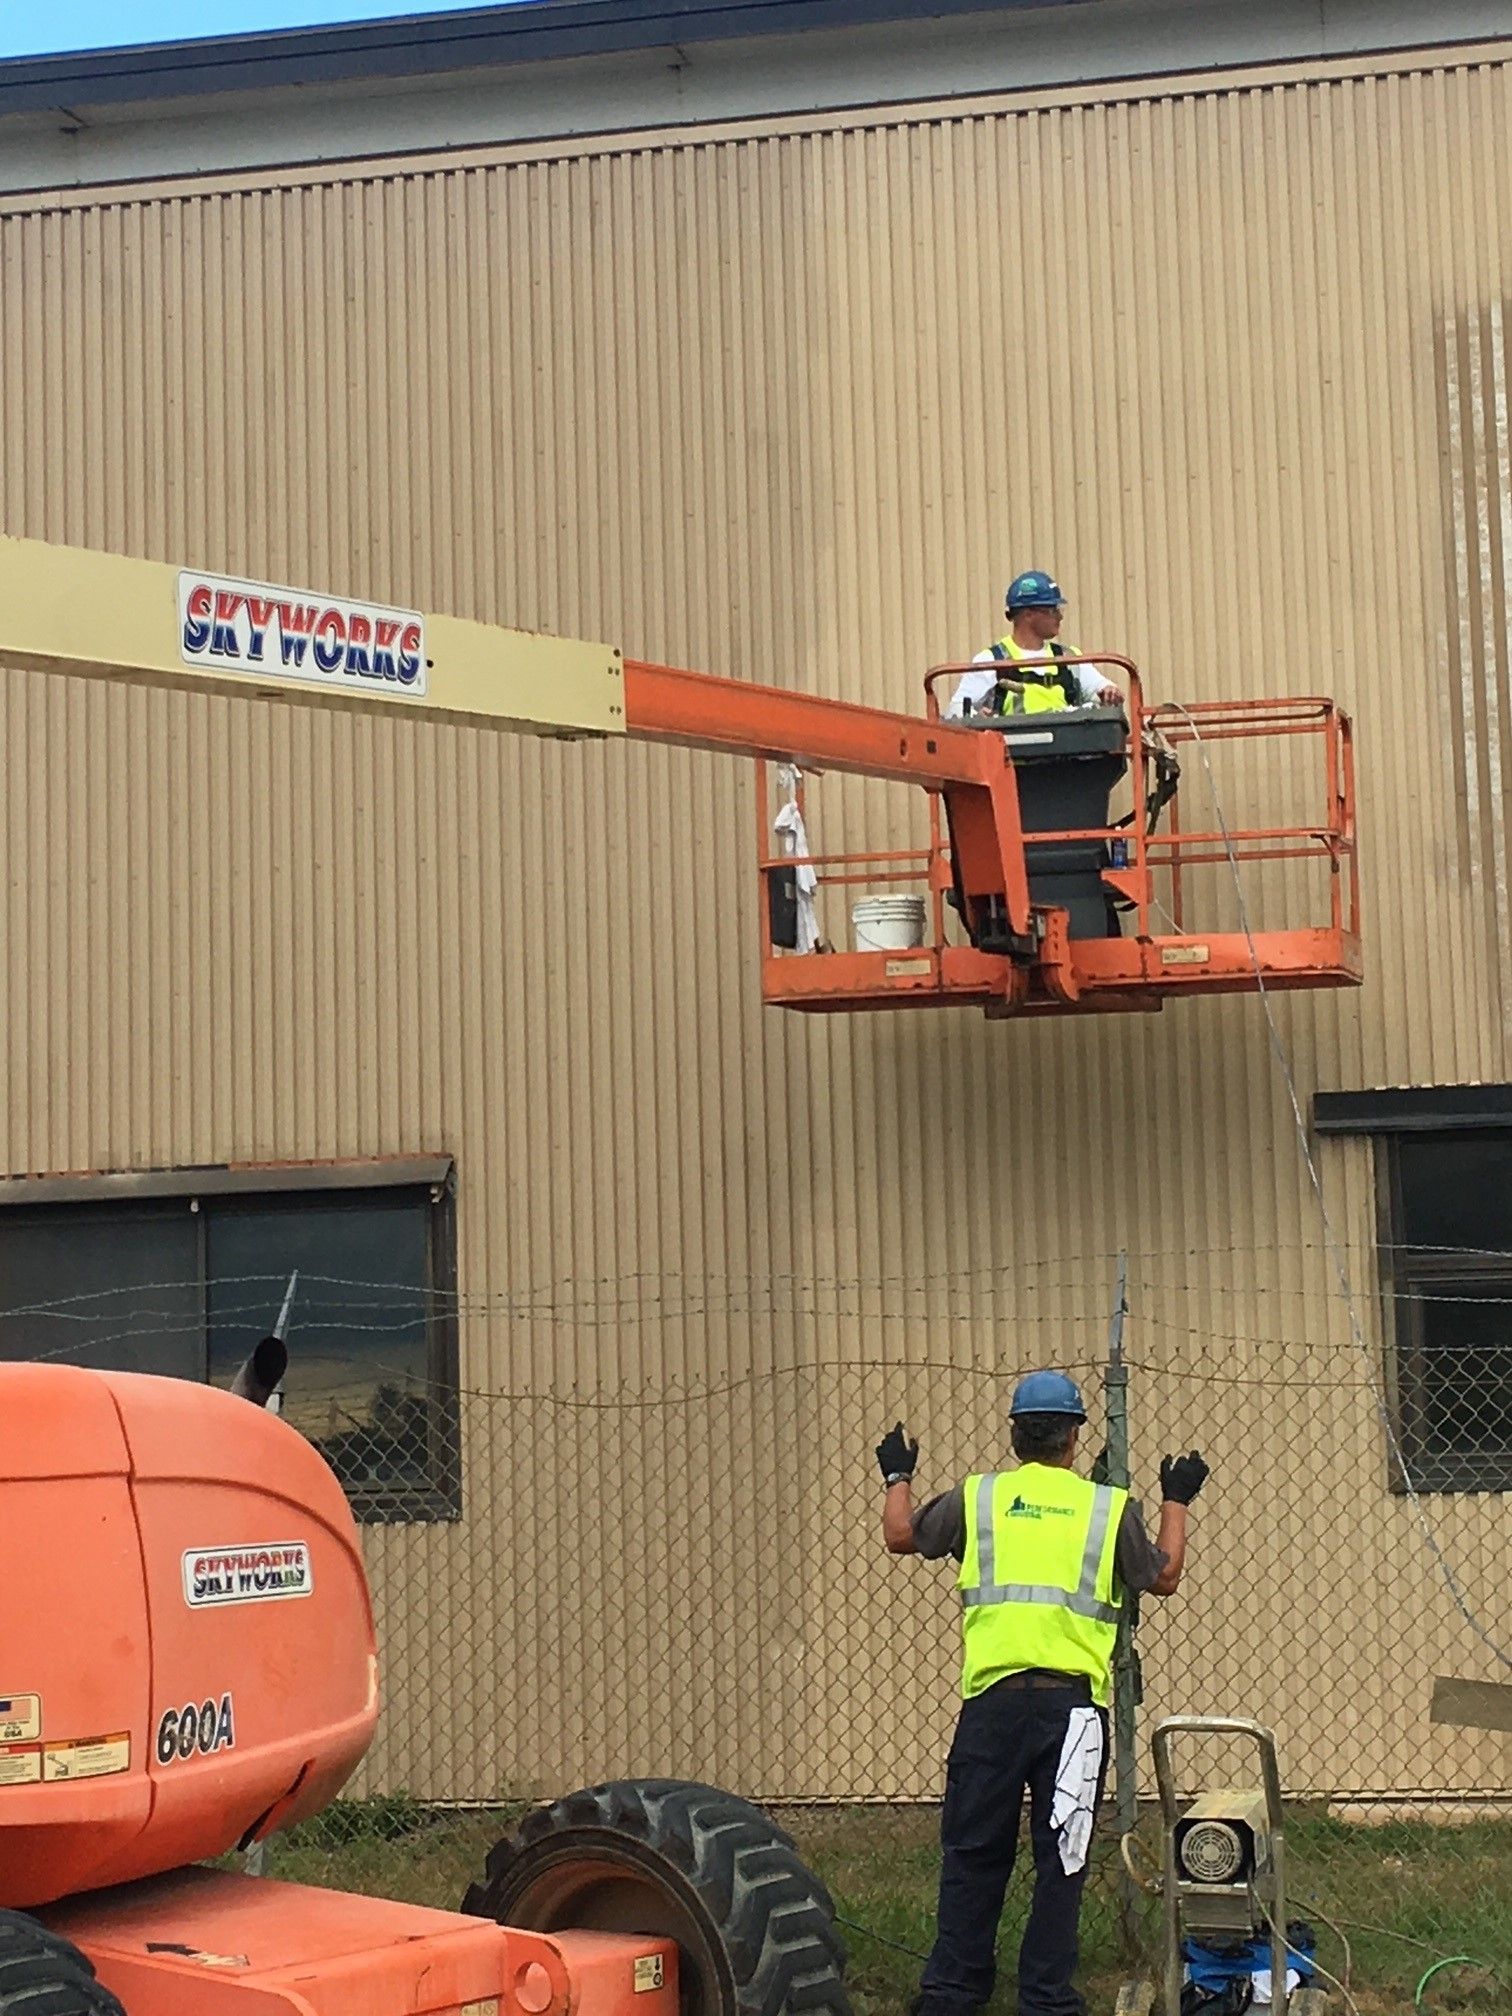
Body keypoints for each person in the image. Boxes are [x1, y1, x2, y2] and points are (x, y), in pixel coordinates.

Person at [875, 1371, 1208, 2016]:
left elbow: (900, 1536)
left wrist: (897, 1477)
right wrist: (1175, 1501)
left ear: (1013, 1434)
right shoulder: (1108, 1509)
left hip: (993, 1705)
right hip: (1075, 1714)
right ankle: (1047, 1999)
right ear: (1075, 1435)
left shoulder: (978, 1498)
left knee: (973, 1853)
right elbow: (1162, 1577)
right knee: (1065, 1859)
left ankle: (951, 1995)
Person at [946, 571, 1122, 718]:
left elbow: (1102, 688)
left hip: (1070, 753)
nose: (1060, 617)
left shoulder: (1068, 658)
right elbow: (955, 710)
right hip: (1014, 755)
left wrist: (1109, 691)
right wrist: (977, 716)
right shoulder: (991, 661)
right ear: (1028, 614)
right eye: (1053, 610)